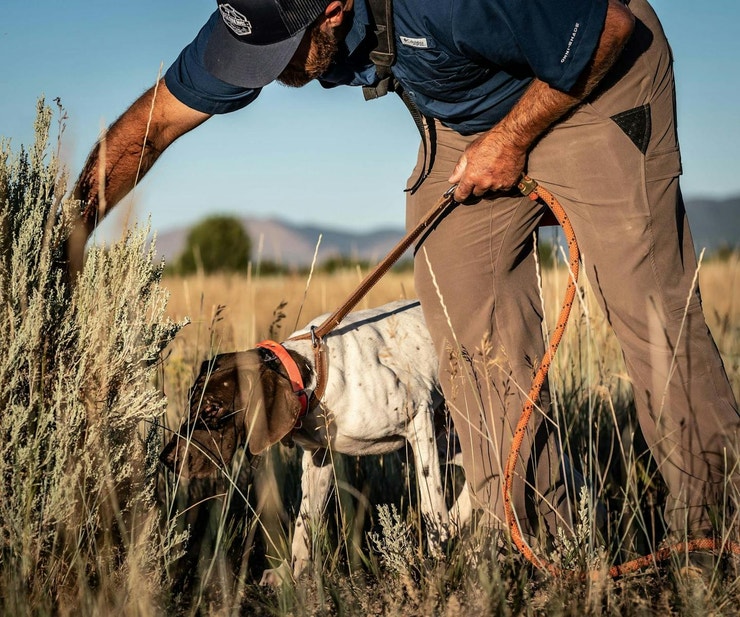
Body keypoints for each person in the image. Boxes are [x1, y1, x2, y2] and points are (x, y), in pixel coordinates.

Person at [70, 0, 739, 547]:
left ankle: (718, 523)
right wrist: (61, 245)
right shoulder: (258, 14)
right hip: (469, 117)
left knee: (648, 312)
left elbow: (606, 32)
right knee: (462, 318)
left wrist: (510, 141)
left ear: (332, 10)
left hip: (595, 74)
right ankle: (536, 534)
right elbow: (149, 128)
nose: (266, 74)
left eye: (280, 55)